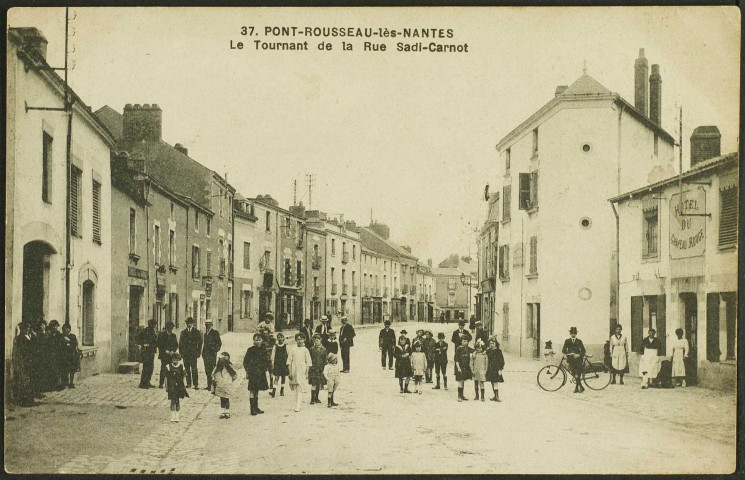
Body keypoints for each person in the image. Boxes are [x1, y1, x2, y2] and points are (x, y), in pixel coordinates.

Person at [243, 333, 270, 415]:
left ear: (262, 341)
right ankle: (252, 409)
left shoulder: (263, 349)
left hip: (260, 372)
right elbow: (245, 362)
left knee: (257, 389)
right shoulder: (250, 350)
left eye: (259, 340)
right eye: (256, 340)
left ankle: (256, 407)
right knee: (252, 390)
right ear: (253, 341)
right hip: (253, 372)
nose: (258, 341)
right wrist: (247, 371)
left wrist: (266, 368)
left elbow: (266, 360)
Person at [12, 322, 36, 407]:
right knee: (24, 380)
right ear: (21, 329)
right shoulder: (19, 338)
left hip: (31, 361)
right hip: (24, 361)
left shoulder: (30, 336)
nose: (27, 329)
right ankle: (24, 400)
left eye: (28, 328)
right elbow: (20, 351)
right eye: (25, 328)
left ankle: (30, 399)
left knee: (30, 380)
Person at [287, 333, 311, 412]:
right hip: (294, 371)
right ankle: (297, 403)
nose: (300, 341)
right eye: (298, 339)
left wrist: (307, 373)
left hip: (302, 371)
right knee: (296, 388)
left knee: (300, 388)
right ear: (296, 340)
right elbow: (289, 361)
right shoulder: (293, 350)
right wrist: (290, 372)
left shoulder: (305, 350)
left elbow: (308, 363)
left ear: (304, 340)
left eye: (301, 339)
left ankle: (298, 405)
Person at [212, 352, 237, 419]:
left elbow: (213, 375)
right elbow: (234, 376)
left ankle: (224, 413)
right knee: (225, 399)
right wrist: (230, 381)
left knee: (223, 399)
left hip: (221, 386)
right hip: (225, 386)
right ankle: (226, 413)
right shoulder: (228, 367)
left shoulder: (218, 368)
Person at [179, 317, 203, 389]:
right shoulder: (183, 332)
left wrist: (198, 352)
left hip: (193, 354)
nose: (189, 324)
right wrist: (181, 353)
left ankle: (196, 384)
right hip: (185, 354)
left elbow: (200, 343)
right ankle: (188, 383)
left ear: (192, 323)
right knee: (187, 369)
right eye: (188, 323)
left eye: (190, 323)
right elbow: (180, 344)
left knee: (194, 369)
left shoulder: (196, 332)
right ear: (186, 324)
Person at [165, 352, 189, 423]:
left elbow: (184, 376)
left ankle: (177, 415)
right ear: (171, 360)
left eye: (177, 360)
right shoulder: (168, 366)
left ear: (179, 360)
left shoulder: (181, 366)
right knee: (172, 401)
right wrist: (166, 386)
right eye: (174, 360)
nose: (175, 361)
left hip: (179, 386)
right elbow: (166, 377)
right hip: (171, 386)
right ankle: (172, 415)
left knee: (177, 401)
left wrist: (184, 384)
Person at [562, 326, 586, 393]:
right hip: (571, 360)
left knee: (577, 374)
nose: (573, 334)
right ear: (570, 333)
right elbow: (563, 350)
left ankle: (576, 388)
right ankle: (580, 387)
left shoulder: (579, 341)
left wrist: (579, 355)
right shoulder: (567, 341)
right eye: (572, 333)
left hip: (578, 360)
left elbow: (583, 350)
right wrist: (569, 353)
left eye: (574, 333)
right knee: (573, 373)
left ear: (576, 334)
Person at [137, 319, 158, 389]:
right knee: (146, 367)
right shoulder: (145, 331)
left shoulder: (153, 332)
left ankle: (148, 381)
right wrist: (144, 344)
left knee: (151, 368)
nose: (155, 326)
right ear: (151, 325)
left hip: (151, 351)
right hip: (146, 352)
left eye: (155, 325)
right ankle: (143, 383)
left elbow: (155, 341)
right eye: (154, 324)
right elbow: (138, 339)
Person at [157, 322, 179, 388]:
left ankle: (170, 383)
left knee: (171, 369)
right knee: (163, 368)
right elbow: (159, 344)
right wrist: (165, 351)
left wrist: (173, 351)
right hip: (164, 355)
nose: (171, 329)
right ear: (167, 328)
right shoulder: (161, 335)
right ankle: (161, 383)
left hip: (171, 355)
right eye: (169, 328)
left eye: (171, 328)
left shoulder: (173, 335)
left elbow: (176, 345)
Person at [202, 320, 222, 391]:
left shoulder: (215, 333)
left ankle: (213, 386)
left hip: (212, 355)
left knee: (212, 370)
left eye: (209, 325)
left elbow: (219, 344)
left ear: (211, 325)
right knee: (207, 370)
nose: (207, 326)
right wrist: (203, 353)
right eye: (206, 325)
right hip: (206, 355)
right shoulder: (205, 334)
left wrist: (214, 350)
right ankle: (209, 385)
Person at [308, 333, 328, 405]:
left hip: (320, 369)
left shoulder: (324, 350)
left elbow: (325, 360)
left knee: (318, 384)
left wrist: (325, 369)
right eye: (314, 341)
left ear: (320, 340)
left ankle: (316, 397)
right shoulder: (311, 349)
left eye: (317, 340)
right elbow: (309, 359)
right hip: (313, 369)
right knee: (313, 384)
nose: (316, 342)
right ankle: (312, 398)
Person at [59, 323, 80, 388]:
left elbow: (75, 344)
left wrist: (69, 341)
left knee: (72, 369)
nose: (66, 330)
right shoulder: (61, 336)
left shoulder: (73, 336)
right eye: (65, 329)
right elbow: (60, 345)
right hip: (64, 355)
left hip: (72, 355)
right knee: (64, 369)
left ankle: (71, 382)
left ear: (69, 329)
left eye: (68, 329)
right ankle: (64, 383)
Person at [46, 320, 64, 391]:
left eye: (56, 326)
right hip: (50, 354)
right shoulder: (48, 334)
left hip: (57, 354)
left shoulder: (58, 334)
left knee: (57, 370)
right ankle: (51, 385)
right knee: (51, 370)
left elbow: (60, 342)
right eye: (54, 326)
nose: (55, 328)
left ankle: (58, 384)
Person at [270, 332, 289, 397]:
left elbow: (289, 355)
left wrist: (288, 364)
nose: (280, 338)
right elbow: (273, 355)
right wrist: (272, 363)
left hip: (284, 364)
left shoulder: (286, 346)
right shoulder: (275, 346)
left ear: (283, 338)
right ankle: (274, 391)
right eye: (278, 337)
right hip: (277, 364)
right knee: (276, 377)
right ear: (277, 338)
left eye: (281, 337)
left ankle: (282, 390)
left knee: (283, 377)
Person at [485, 337, 505, 402]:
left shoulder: (498, 351)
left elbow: (502, 361)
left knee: (495, 382)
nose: (491, 345)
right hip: (490, 369)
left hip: (496, 369)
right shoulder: (488, 351)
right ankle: (495, 396)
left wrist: (500, 369)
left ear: (495, 344)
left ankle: (497, 396)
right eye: (490, 343)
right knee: (492, 382)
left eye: (493, 343)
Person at [454, 335, 473, 401]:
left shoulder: (468, 348)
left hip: (466, 367)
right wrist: (458, 368)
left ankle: (462, 395)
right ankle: (459, 396)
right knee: (460, 381)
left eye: (467, 341)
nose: (465, 342)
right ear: (461, 341)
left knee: (463, 381)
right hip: (460, 367)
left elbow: (475, 351)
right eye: (464, 341)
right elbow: (456, 360)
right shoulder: (459, 349)